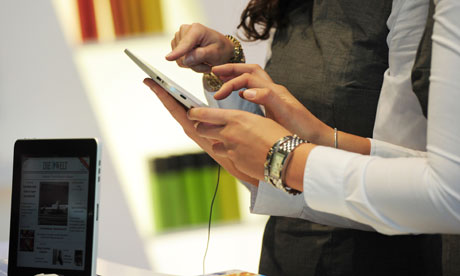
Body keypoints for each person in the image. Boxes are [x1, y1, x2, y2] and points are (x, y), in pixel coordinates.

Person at [145, 0, 450, 275]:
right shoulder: (288, 5)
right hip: (285, 250)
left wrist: (282, 163)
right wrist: (227, 74)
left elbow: (409, 183)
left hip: (377, 257)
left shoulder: (409, 7)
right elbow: (273, 135)